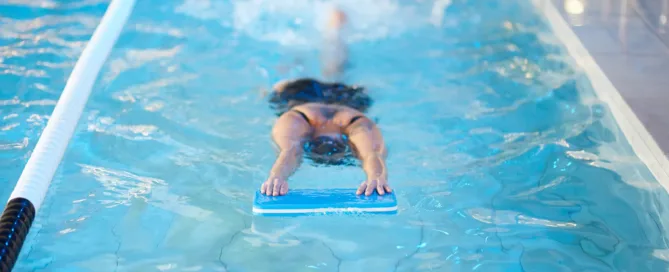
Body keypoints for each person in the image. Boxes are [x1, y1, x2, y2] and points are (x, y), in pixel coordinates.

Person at [261, 8, 391, 197]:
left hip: (344, 98)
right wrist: (377, 177)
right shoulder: (356, 123)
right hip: (303, 96)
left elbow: (291, 152)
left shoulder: (352, 122)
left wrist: (277, 176)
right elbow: (371, 155)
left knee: (333, 72)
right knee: (286, 82)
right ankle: (326, 30)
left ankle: (332, 29)